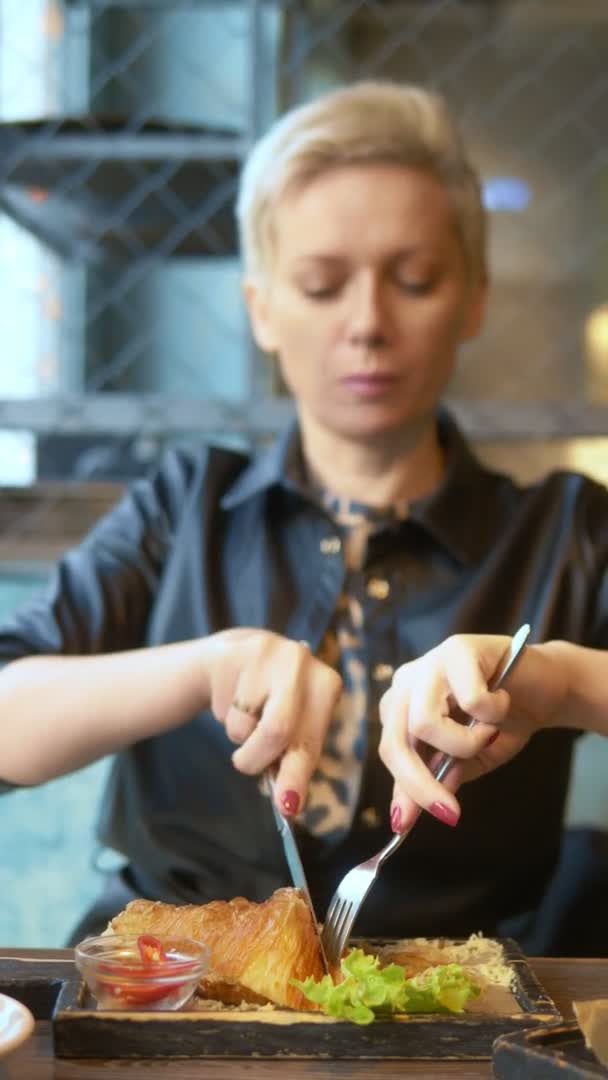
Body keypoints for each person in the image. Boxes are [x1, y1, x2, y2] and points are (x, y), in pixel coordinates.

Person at [0, 80, 607, 952]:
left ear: (473, 296)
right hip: (160, 995)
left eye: (415, 280)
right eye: (322, 285)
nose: (367, 324)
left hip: (460, 1019)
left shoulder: (565, 532)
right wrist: (203, 667)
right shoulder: (186, 506)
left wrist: (560, 684)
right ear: (261, 309)